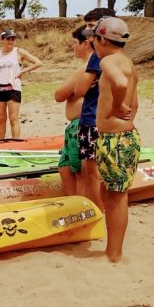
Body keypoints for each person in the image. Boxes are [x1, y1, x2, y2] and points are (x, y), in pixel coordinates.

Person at [88, 17, 139, 263]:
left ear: (101, 39)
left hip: (115, 139)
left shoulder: (107, 60)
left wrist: (117, 107)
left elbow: (119, 83)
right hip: (126, 136)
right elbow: (135, 100)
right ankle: (113, 250)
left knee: (117, 197)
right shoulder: (128, 62)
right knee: (111, 192)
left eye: (93, 39)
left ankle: (114, 254)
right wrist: (127, 115)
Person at [74, 7, 117, 212]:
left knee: (91, 174)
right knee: (97, 172)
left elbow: (79, 89)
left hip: (92, 120)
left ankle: (98, 214)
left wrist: (86, 82)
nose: (88, 32)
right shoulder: (119, 55)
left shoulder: (97, 57)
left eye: (92, 26)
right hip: (107, 120)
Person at [0, 29, 43, 139]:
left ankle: (15, 145)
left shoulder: (19, 52)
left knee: (13, 119)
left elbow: (38, 63)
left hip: (13, 89)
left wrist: (23, 71)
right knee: (0, 119)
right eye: (8, 39)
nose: (10, 41)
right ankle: (0, 144)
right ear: (2, 40)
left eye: (12, 39)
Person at [54, 27, 91, 196]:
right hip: (74, 127)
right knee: (65, 166)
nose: (72, 47)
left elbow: (59, 94)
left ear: (85, 44)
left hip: (81, 126)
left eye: (74, 43)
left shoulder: (87, 68)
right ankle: (72, 203)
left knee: (80, 172)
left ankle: (81, 205)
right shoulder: (86, 67)